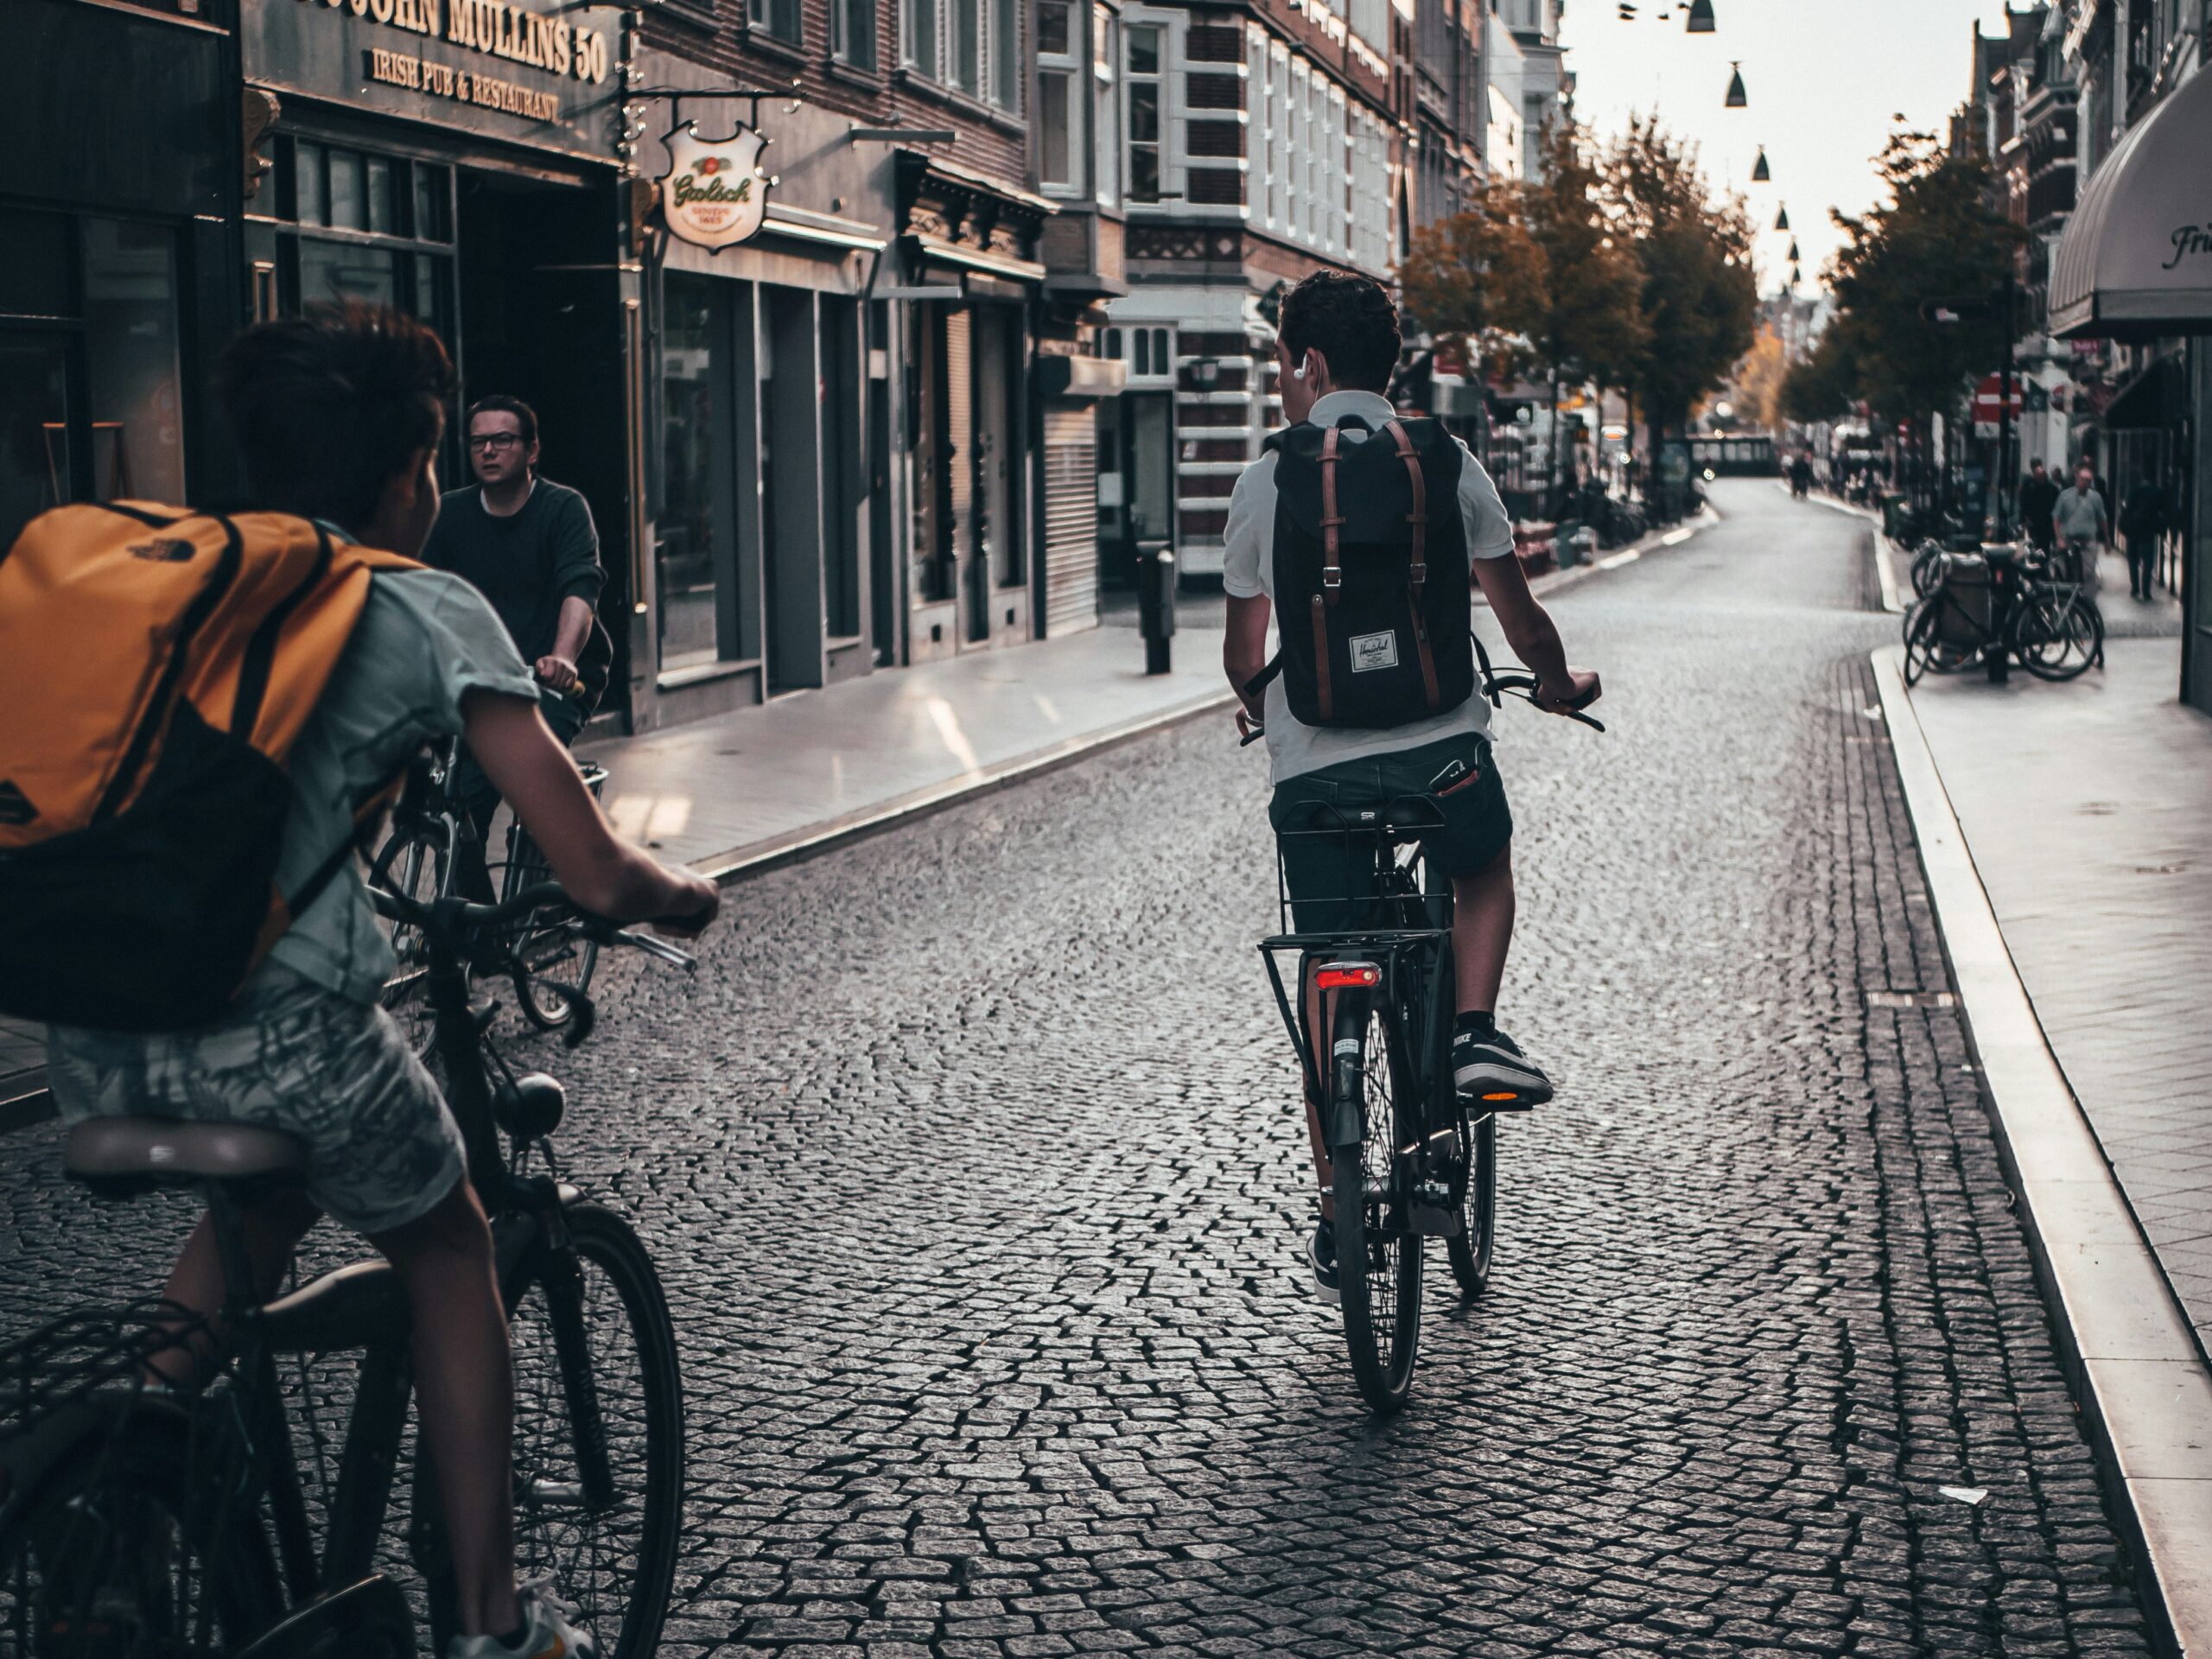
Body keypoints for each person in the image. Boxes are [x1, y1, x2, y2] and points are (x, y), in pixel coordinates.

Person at [42, 303, 720, 1659]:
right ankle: (492, 1623)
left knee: (277, 1194)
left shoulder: (186, 577)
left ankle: (132, 1479)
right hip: (281, 1035)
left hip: (101, 1032)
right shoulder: (416, 600)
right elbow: (583, 865)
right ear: (414, 466)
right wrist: (679, 890)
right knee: (451, 1240)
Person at [1222, 270, 1600, 1303]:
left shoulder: (1266, 478)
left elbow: (1242, 647)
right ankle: (1472, 1031)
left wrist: (1264, 709)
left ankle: (1337, 1203)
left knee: (1329, 956)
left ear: (1304, 364)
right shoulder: (1449, 460)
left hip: (1314, 773)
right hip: (1443, 757)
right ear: (1396, 368)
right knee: (1480, 869)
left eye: (1282, 361)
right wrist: (1561, 687)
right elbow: (1520, 622)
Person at [422, 395, 611, 902]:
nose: (488, 450)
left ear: (531, 451)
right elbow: (424, 593)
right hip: (481, 681)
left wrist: (563, 657)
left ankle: (543, 884)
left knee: (523, 769)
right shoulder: (450, 515)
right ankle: (479, 929)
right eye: (478, 441)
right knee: (453, 802)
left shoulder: (563, 508)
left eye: (502, 440)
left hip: (553, 677)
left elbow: (580, 587)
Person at [2051, 458, 2110, 593]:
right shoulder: (2065, 496)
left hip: (2088, 539)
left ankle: (2086, 599)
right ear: (2077, 479)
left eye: (2089, 481)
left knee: (2087, 572)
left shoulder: (2095, 498)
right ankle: (2067, 594)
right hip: (2069, 539)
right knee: (2066, 571)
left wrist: (2107, 538)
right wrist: (2059, 538)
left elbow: (2102, 518)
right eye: (2083, 480)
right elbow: (2056, 517)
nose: (2086, 483)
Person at [2120, 470, 2167, 601]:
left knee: (2132, 560)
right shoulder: (2157, 492)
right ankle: (2146, 590)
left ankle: (2135, 587)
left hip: (2133, 530)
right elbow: (2163, 511)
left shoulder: (2134, 490)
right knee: (2147, 562)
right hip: (2148, 531)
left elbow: (2126, 507)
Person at [2018, 459, 2059, 553]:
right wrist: (2023, 519)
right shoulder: (2029, 485)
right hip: (2032, 522)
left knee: (2044, 547)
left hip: (2045, 523)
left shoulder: (2051, 489)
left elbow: (2054, 506)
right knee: (2031, 545)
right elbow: (2023, 503)